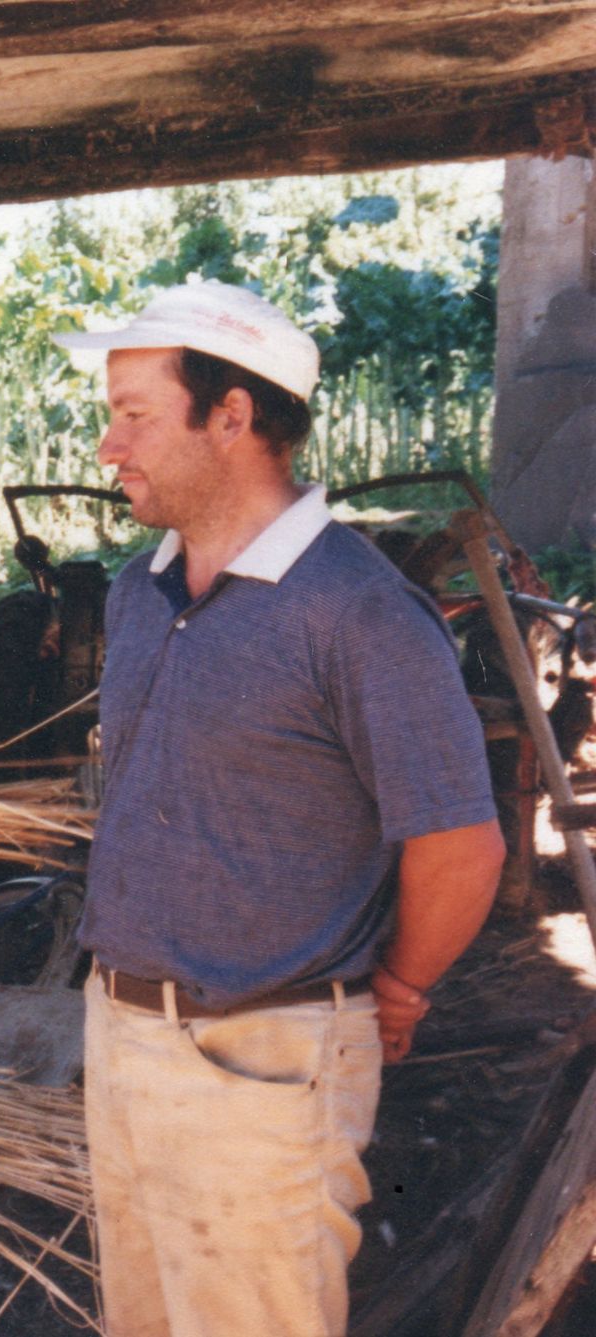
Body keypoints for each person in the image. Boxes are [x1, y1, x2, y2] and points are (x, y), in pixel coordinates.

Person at [52, 282, 504, 1336]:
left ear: (234, 416)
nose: (109, 445)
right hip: (125, 1037)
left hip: (262, 1060)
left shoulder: (355, 612)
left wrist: (397, 987)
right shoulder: (140, 588)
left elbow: (459, 846)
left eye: (134, 412)